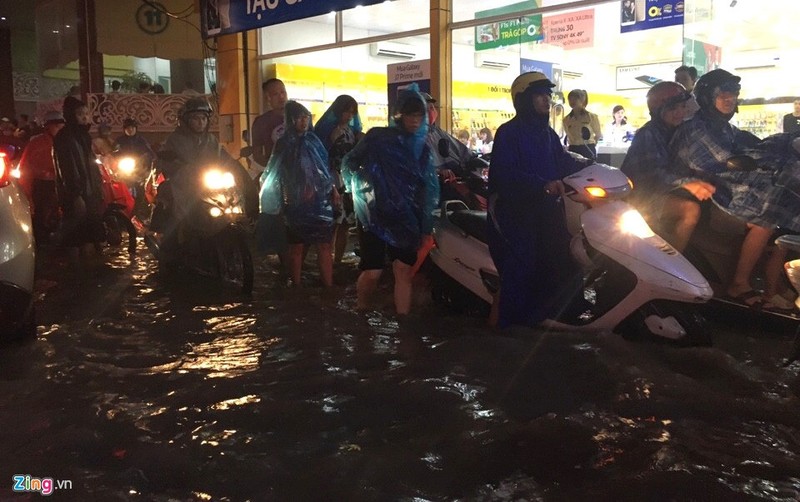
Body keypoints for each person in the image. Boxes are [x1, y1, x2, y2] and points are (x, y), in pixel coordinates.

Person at [670, 68, 797, 311]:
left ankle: (777, 285)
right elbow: (725, 159)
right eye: (723, 95)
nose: (730, 99)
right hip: (713, 194)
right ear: (707, 98)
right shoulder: (696, 129)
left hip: (731, 189)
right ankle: (739, 284)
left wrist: (790, 142)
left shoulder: (725, 128)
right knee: (768, 217)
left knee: (786, 205)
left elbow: (757, 144)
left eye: (733, 94)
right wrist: (762, 161)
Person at [487, 71, 584, 328]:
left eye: (548, 95)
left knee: (564, 259)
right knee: (522, 269)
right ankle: (510, 335)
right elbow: (506, 174)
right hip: (515, 215)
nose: (546, 100)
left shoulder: (548, 134)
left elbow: (564, 161)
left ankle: (549, 323)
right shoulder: (509, 133)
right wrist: (542, 185)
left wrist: (591, 169)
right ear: (523, 99)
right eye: (540, 95)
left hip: (547, 212)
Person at [341, 83, 439, 315]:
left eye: (419, 115)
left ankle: (402, 325)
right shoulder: (378, 138)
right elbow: (350, 163)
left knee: (403, 271)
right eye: (409, 114)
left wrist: (426, 227)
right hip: (375, 213)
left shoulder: (423, 151)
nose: (414, 120)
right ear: (399, 115)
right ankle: (362, 309)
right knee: (372, 271)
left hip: (405, 217)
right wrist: (360, 192)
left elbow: (428, 191)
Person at [621, 81, 714, 251]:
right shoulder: (649, 133)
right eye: (673, 109)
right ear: (658, 111)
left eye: (682, 107)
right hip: (643, 197)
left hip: (664, 192)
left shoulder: (678, 130)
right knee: (690, 210)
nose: (679, 113)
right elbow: (654, 174)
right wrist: (688, 183)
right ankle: (672, 264)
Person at [260, 101, 338, 288]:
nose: (304, 121)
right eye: (300, 118)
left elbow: (325, 170)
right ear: (291, 120)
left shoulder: (313, 141)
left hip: (319, 202)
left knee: (324, 246)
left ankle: (328, 285)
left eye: (306, 117)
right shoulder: (284, 144)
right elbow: (275, 172)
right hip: (295, 202)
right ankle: (296, 285)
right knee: (296, 246)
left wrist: (333, 189)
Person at [152, 98, 256, 231]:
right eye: (195, 118)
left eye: (203, 118)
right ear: (186, 120)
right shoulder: (175, 139)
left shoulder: (211, 139)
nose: (200, 122)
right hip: (185, 187)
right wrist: (186, 170)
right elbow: (168, 162)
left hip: (211, 187)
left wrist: (237, 169)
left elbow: (224, 158)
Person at [52, 96, 106, 259]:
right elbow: (67, 168)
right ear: (70, 115)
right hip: (76, 194)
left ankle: (88, 275)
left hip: (89, 193)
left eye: (86, 113)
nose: (84, 117)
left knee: (89, 235)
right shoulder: (65, 137)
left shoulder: (84, 136)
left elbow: (90, 164)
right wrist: (76, 195)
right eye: (79, 114)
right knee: (75, 236)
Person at [314, 94, 363, 265]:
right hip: (334, 178)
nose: (349, 116)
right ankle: (328, 259)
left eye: (352, 112)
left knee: (345, 223)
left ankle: (337, 261)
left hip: (348, 179)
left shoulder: (352, 132)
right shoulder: (329, 131)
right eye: (346, 112)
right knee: (334, 222)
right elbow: (322, 156)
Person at [17, 111, 66, 246]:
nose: (59, 129)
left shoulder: (66, 142)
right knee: (42, 215)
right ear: (48, 127)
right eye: (56, 126)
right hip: (43, 185)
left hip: (63, 183)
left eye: (61, 126)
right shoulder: (37, 143)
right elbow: (27, 166)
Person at [251, 78, 289, 170]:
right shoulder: (261, 122)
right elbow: (257, 154)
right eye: (276, 94)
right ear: (268, 98)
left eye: (283, 92)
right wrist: (272, 169)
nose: (281, 97)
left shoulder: (299, 117)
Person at [563, 89, 602, 159]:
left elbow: (598, 134)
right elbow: (569, 136)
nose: (572, 101)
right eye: (570, 99)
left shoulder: (591, 117)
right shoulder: (566, 120)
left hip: (588, 148)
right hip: (573, 149)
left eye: (575, 99)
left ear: (582, 100)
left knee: (589, 169)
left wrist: (592, 144)